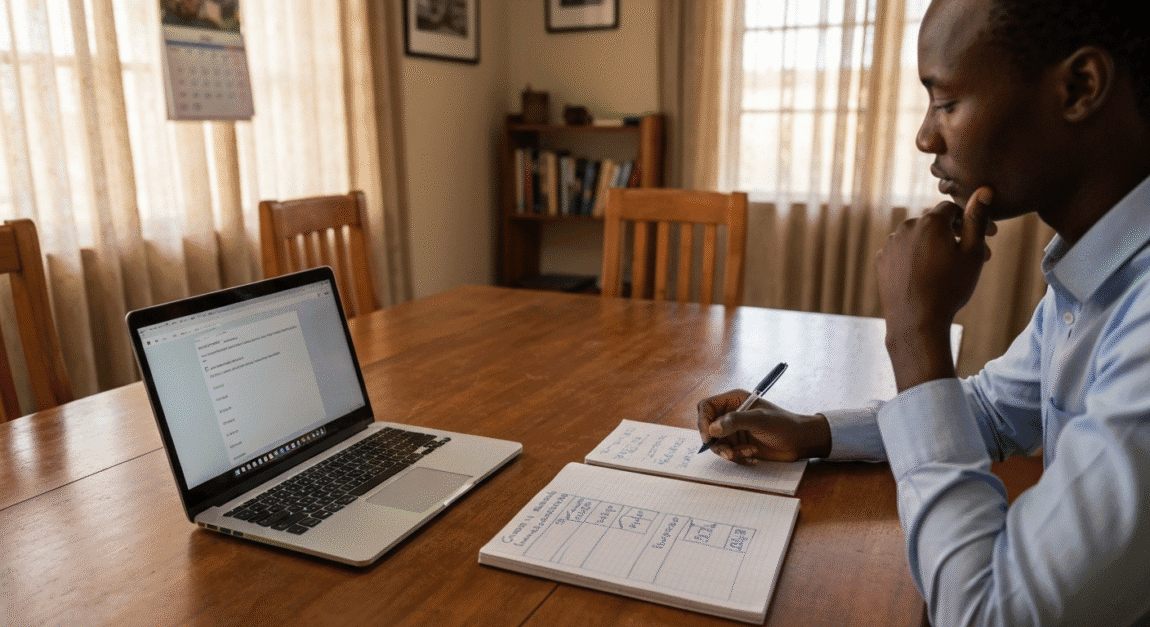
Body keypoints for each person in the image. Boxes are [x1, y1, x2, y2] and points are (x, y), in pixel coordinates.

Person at [696, 0, 1150, 624]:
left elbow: (981, 613)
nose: (925, 136)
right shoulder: (1098, 267)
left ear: (1079, 88)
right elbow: (993, 413)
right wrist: (818, 432)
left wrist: (916, 337)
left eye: (945, 101)